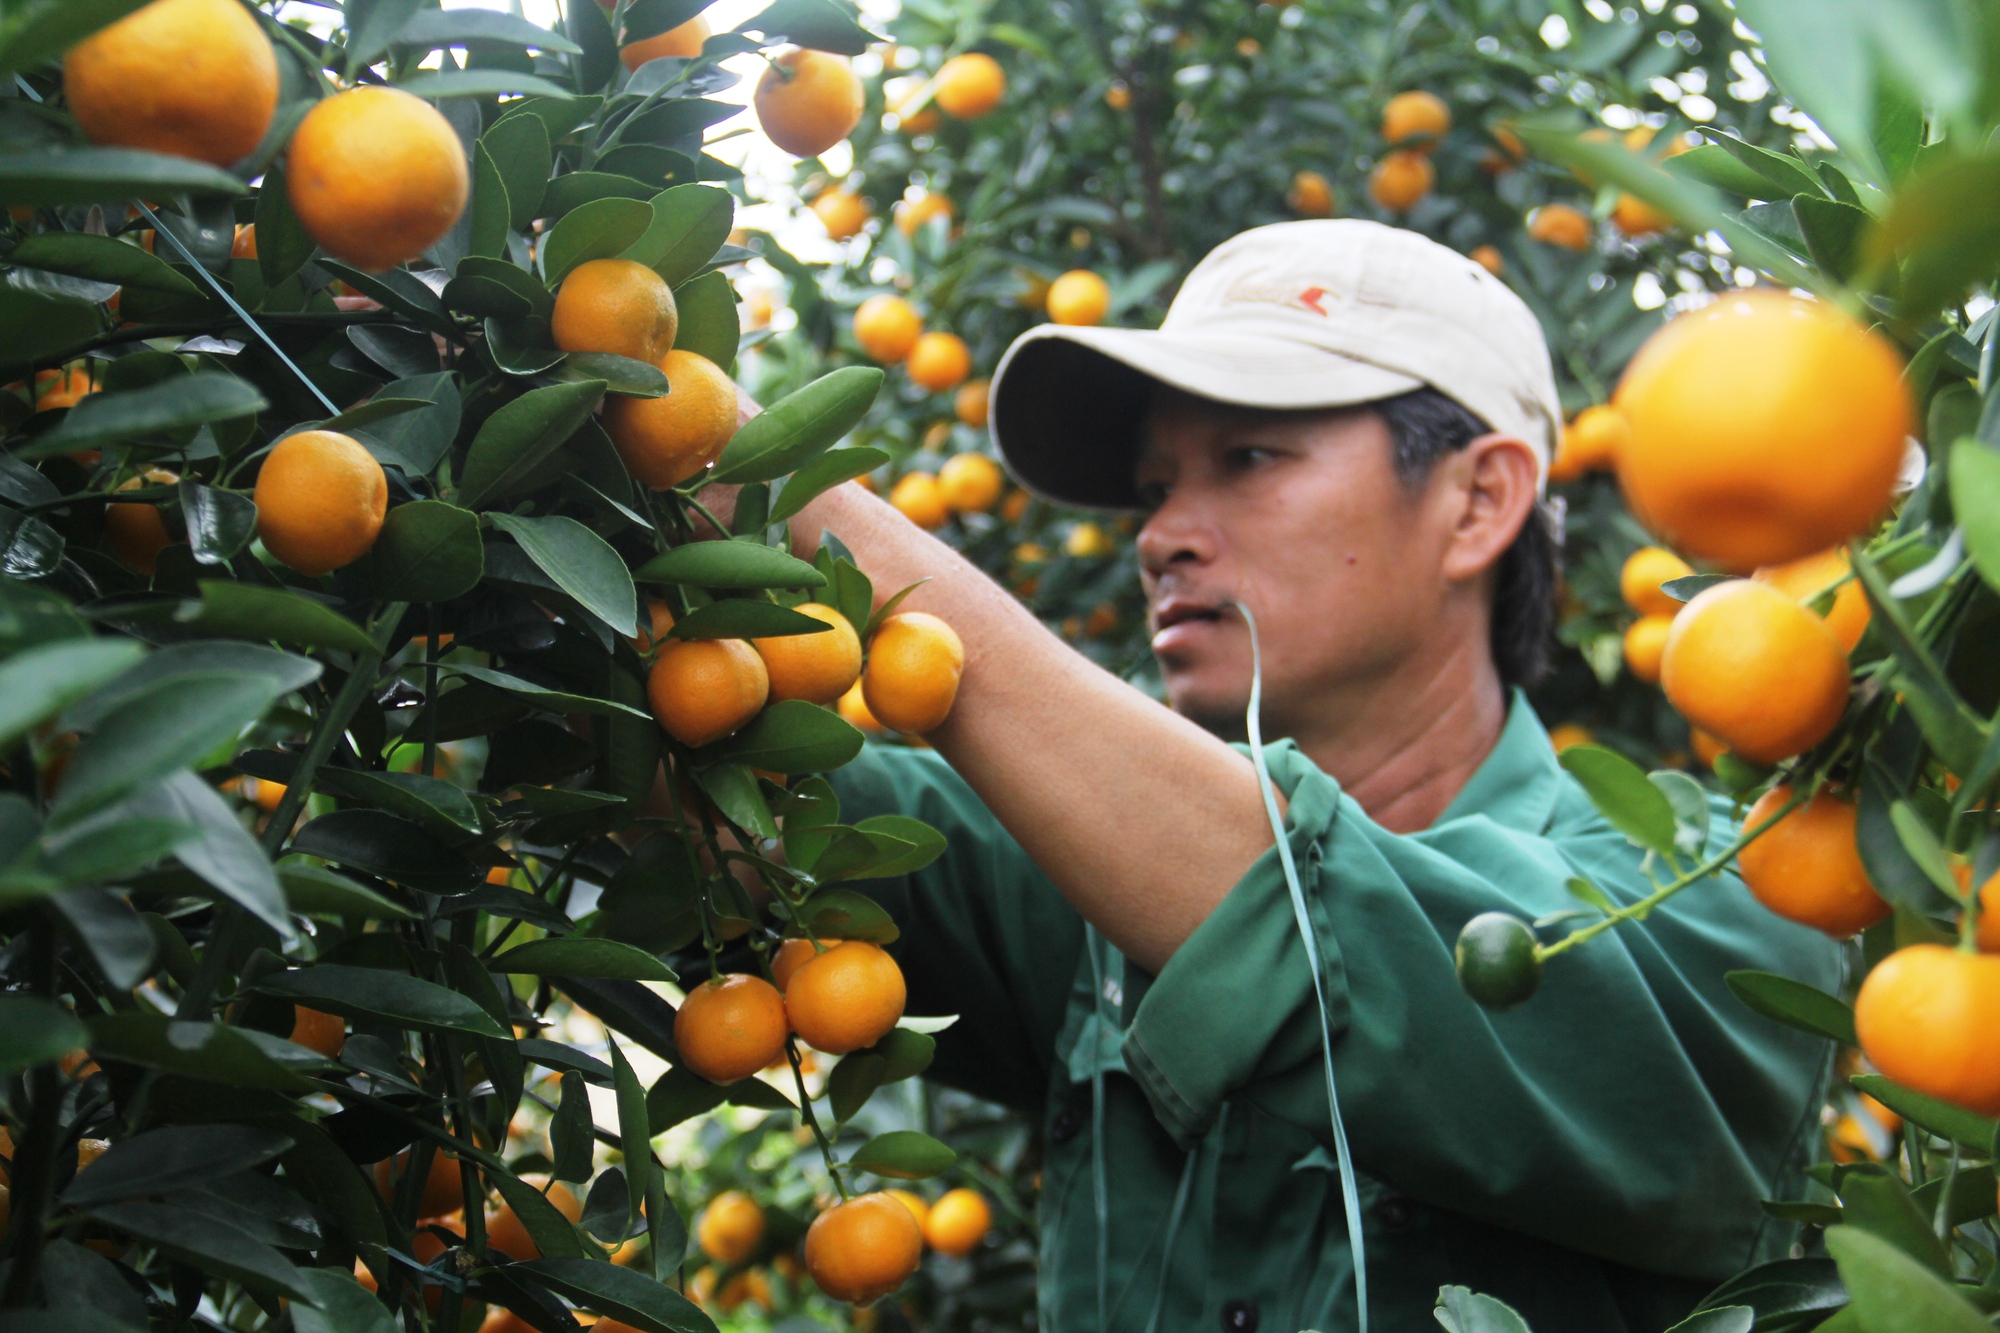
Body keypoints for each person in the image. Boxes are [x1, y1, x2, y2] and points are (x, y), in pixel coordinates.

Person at [761, 221, 1842, 1331]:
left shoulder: (1735, 907)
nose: (1159, 537)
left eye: (1246, 458)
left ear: (1475, 502)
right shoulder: (1082, 875)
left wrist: (775, 487)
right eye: (1151, 489)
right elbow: (731, 809)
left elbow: (1296, 919)